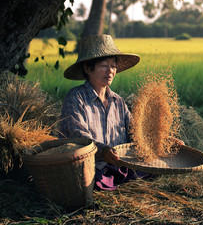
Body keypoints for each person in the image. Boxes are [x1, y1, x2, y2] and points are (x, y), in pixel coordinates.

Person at [59, 34, 147, 190]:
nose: (110, 71)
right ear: (87, 68)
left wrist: (161, 143)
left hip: (120, 166)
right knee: (94, 181)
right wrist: (103, 151)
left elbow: (136, 132)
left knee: (149, 170)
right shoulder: (76, 97)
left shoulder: (118, 101)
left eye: (113, 65)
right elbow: (77, 136)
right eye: (104, 65)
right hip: (93, 167)